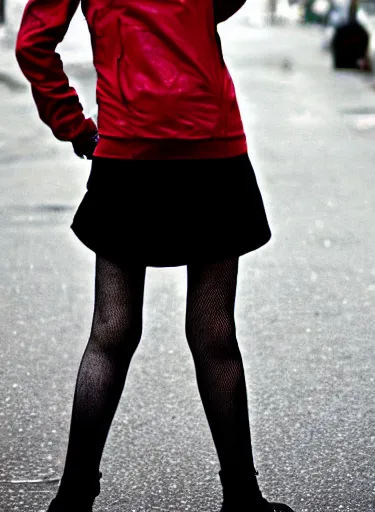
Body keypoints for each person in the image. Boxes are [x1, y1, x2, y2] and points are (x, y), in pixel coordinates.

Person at [15, 0, 295, 511]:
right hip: (210, 142)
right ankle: (243, 499)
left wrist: (73, 124)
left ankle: (73, 499)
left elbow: (33, 43)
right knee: (215, 335)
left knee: (111, 332)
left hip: (129, 149)